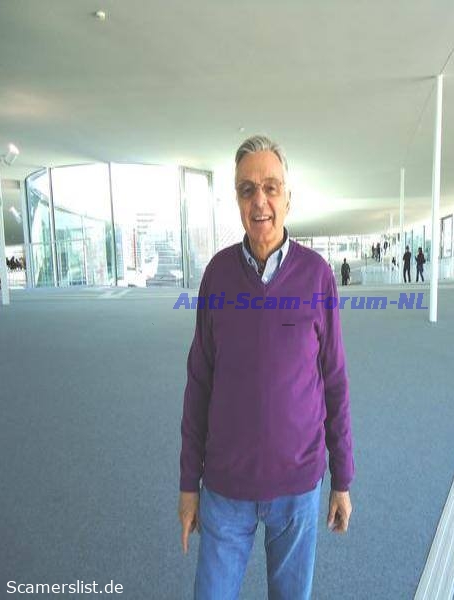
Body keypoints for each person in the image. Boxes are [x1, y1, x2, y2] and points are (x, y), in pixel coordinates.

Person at [178, 135, 355, 600]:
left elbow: (334, 381)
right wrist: (188, 484)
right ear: (237, 200)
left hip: (297, 488)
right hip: (225, 489)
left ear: (288, 198)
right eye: (247, 189)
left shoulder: (316, 275)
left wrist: (342, 479)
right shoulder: (217, 276)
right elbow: (199, 384)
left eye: (271, 188)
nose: (260, 201)